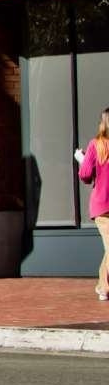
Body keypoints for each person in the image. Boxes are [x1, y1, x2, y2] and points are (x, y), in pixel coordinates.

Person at [78, 109, 109, 303]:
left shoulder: (95, 145)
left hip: (101, 204)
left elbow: (85, 175)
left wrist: (83, 161)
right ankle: (103, 288)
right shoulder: (97, 145)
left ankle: (102, 286)